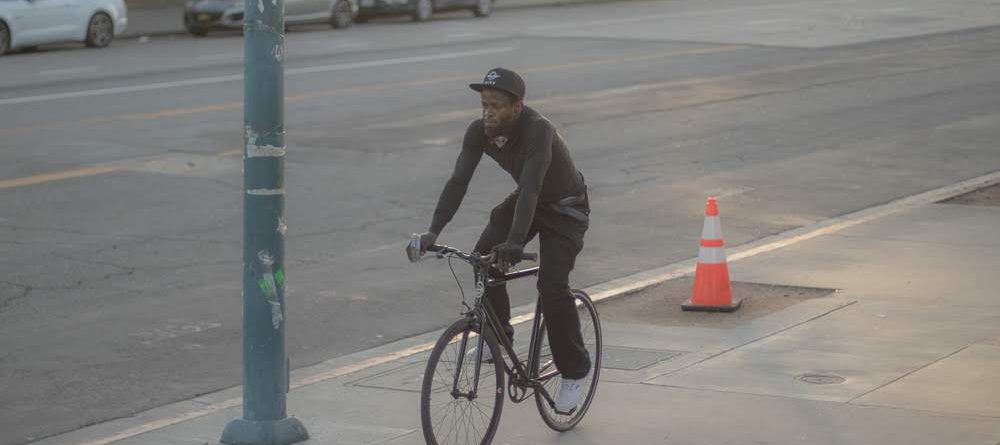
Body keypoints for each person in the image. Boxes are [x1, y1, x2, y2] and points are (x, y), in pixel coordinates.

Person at [413, 67, 592, 413]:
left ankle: (575, 370)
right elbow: (458, 182)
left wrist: (514, 242)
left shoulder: (538, 130)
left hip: (566, 210)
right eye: (484, 104)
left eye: (496, 105)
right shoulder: (479, 132)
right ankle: (497, 337)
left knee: (552, 286)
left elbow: (531, 187)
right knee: (483, 258)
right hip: (530, 201)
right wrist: (434, 231)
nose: (488, 112)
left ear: (518, 106)